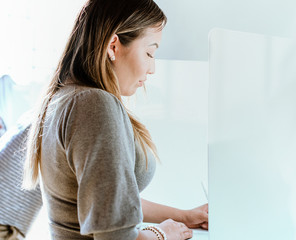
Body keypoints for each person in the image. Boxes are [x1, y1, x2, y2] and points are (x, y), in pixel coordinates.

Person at [22, 0, 208, 239]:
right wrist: (161, 234)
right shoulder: (93, 105)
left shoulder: (67, 97)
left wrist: (184, 216)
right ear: (113, 46)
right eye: (150, 52)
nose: (152, 68)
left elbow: (109, 204)